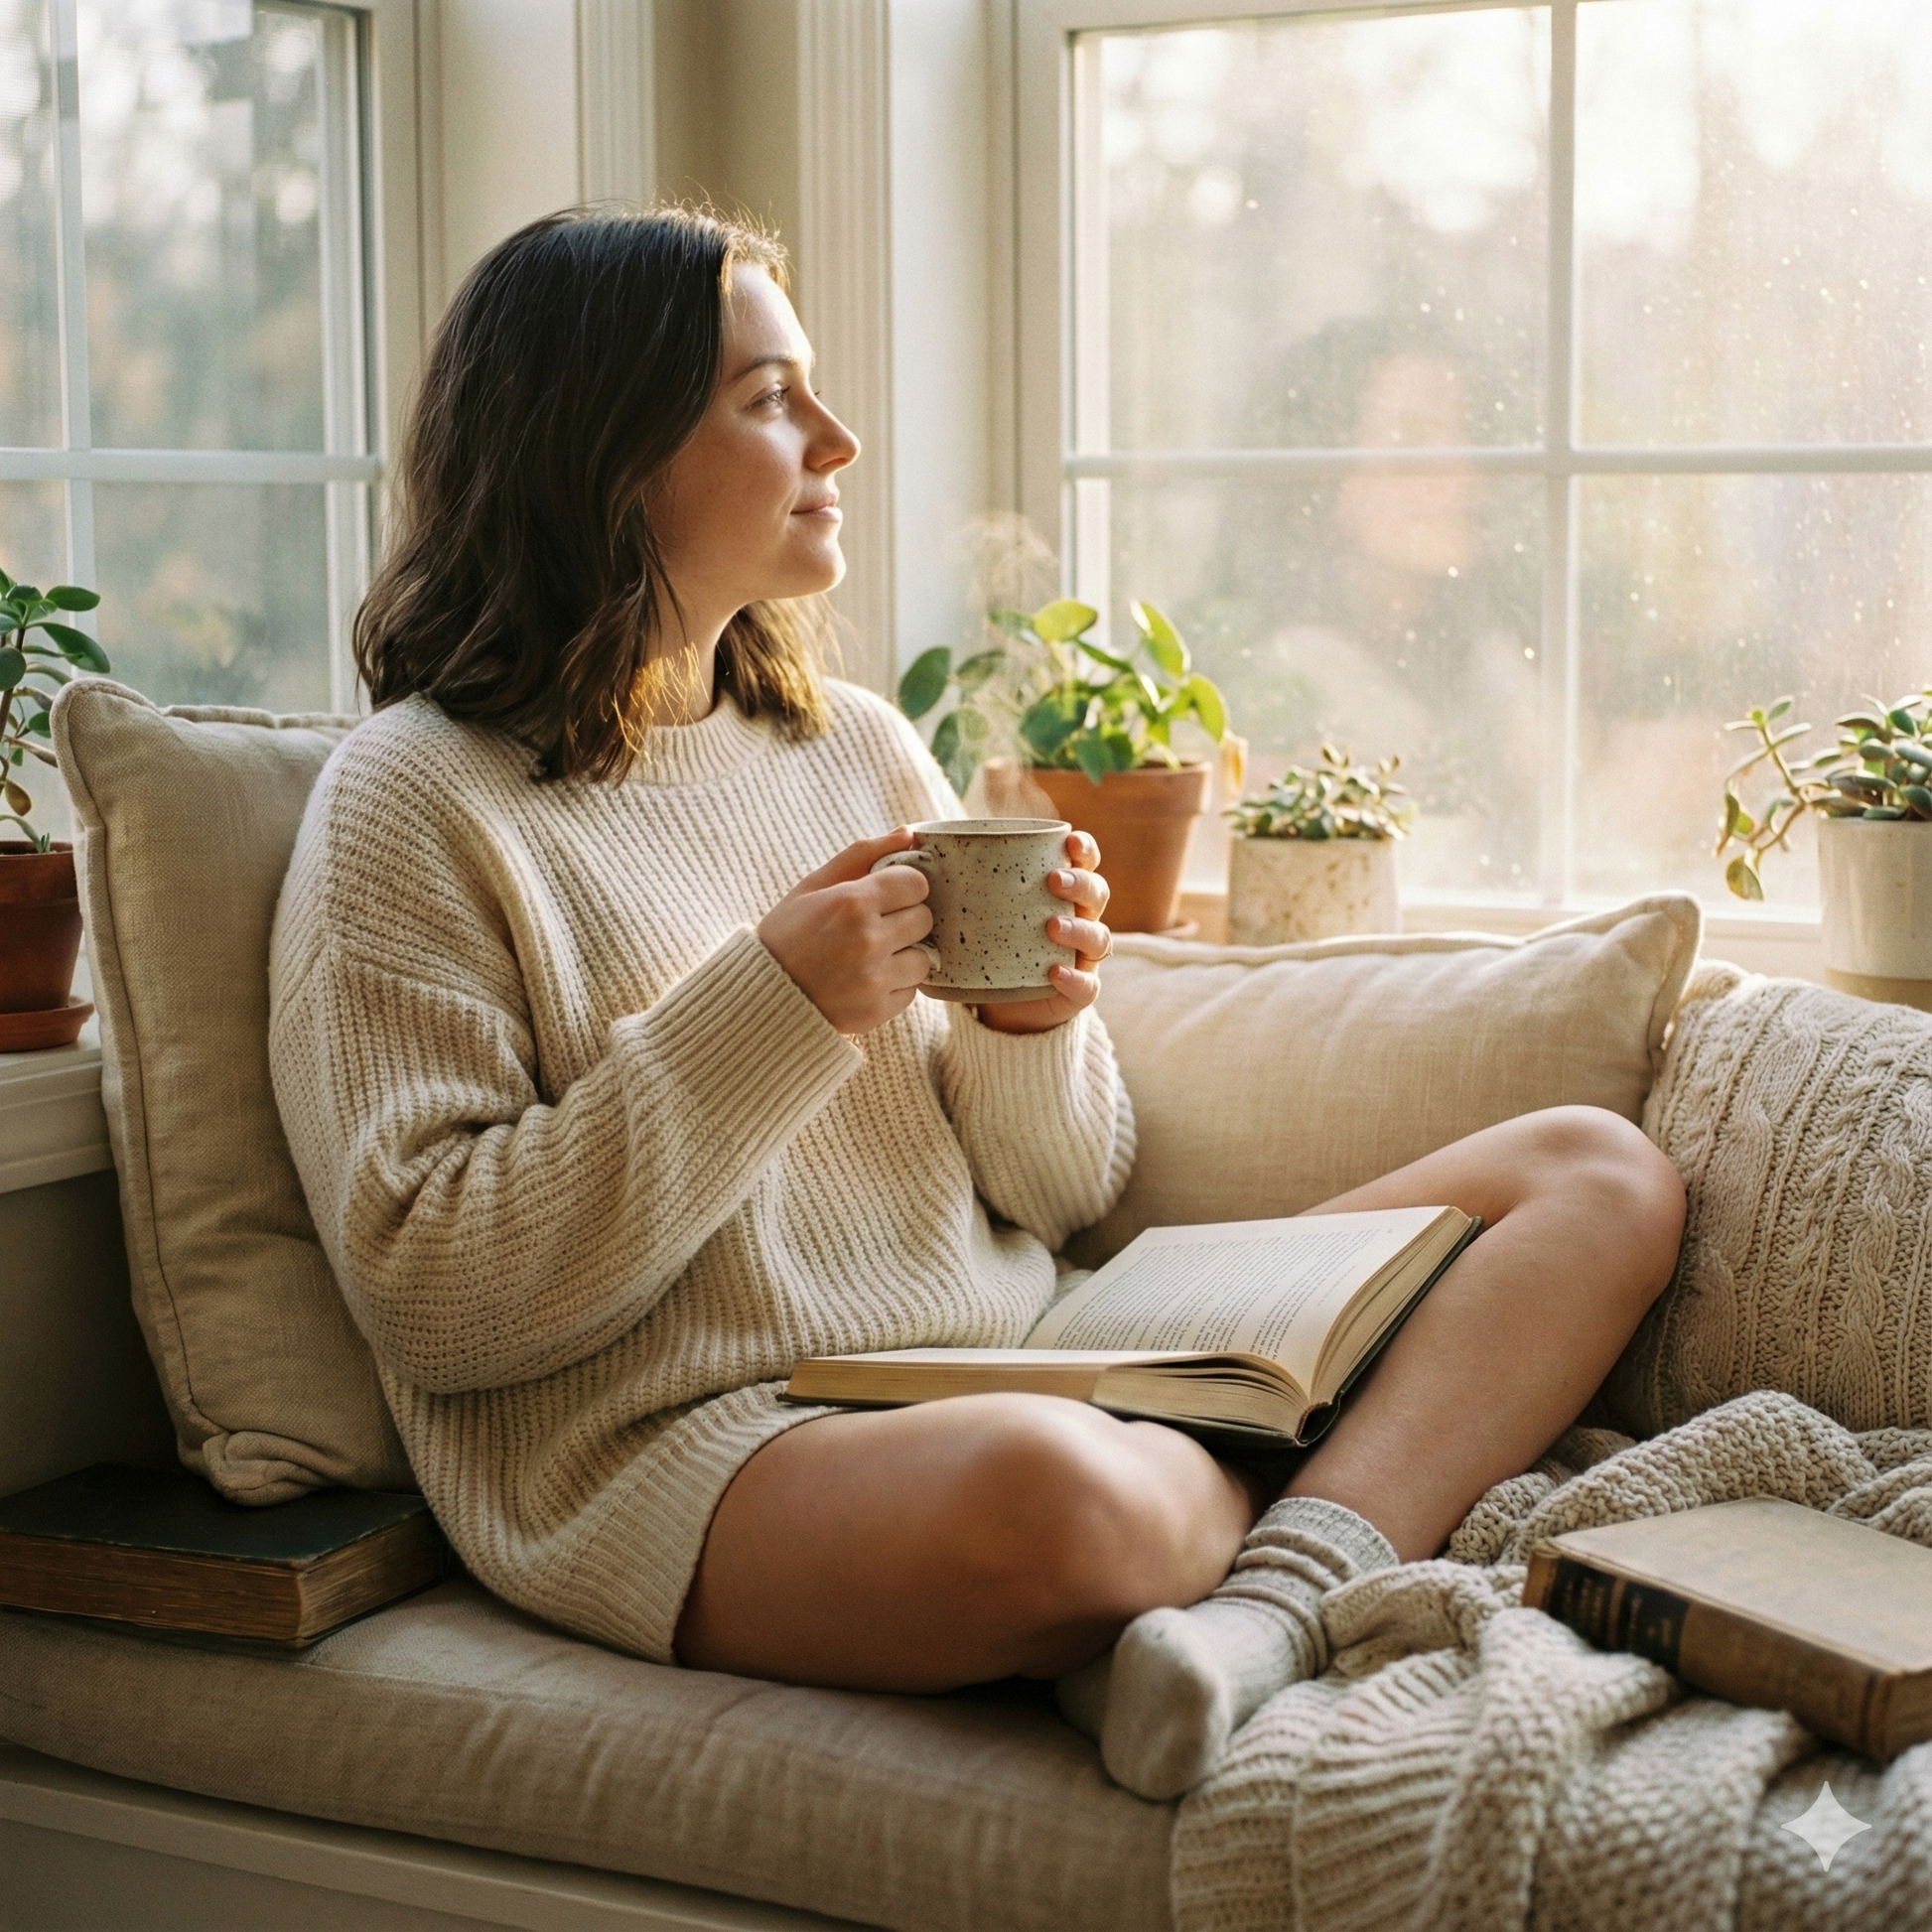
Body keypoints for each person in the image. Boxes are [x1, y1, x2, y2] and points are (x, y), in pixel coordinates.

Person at [267, 207, 1686, 1805]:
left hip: (1030, 1344)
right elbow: (436, 1296)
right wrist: (777, 1006)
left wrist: (1032, 1029)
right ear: (601, 448)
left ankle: (1242, 1618)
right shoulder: (409, 803)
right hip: (698, 1440)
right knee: (1058, 1502)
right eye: (766, 398)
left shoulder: (854, 744)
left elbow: (1056, 1187)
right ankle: (1307, 1521)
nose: (838, 436)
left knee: (1593, 1173)